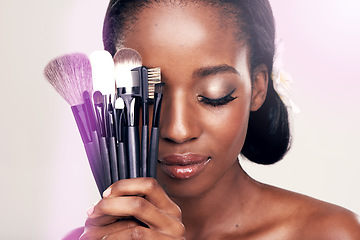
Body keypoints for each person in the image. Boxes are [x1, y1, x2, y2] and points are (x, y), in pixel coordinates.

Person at [68, 0, 360, 239]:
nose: (178, 130)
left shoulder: (331, 233)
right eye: (149, 95)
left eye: (215, 94)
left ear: (258, 87)